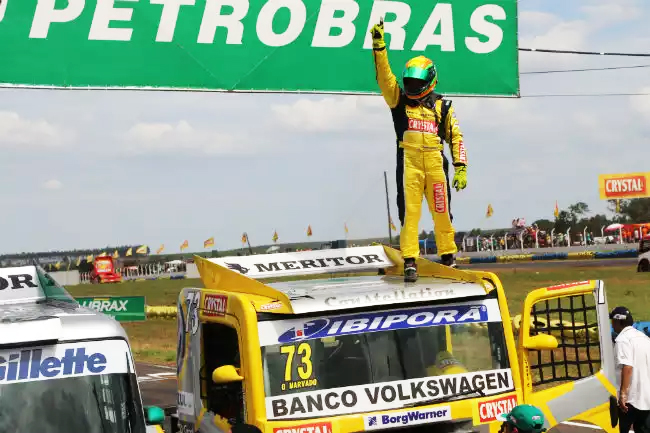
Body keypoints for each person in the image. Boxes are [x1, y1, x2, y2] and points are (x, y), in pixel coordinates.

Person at [370, 19, 468, 282]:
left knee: (442, 210)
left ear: (430, 80)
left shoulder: (443, 106)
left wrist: (461, 167)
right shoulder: (398, 99)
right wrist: (380, 48)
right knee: (409, 213)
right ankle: (410, 260)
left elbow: (456, 137)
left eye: (417, 81)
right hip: (409, 163)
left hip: (436, 164)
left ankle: (448, 256)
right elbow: (384, 77)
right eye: (409, 81)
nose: (412, 85)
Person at [610, 306, 650, 433]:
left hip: (631, 400)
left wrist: (623, 395)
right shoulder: (645, 338)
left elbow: (627, 367)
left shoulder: (622, 340)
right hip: (647, 397)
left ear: (618, 322)